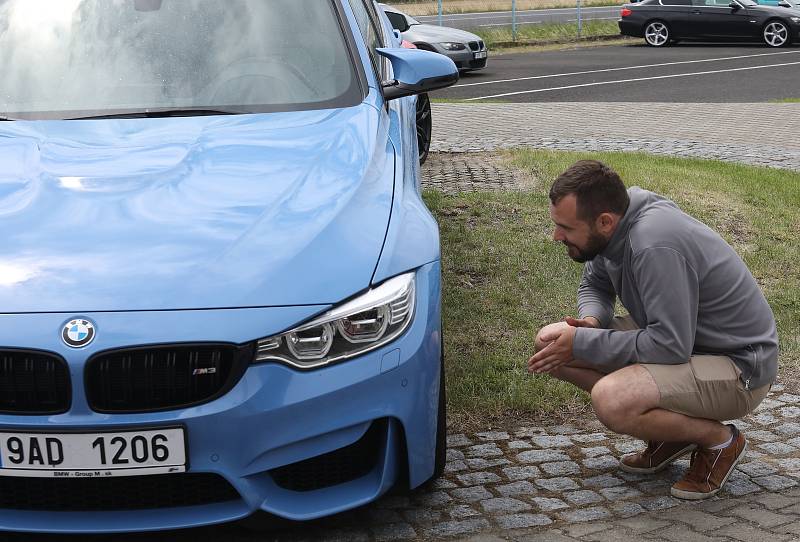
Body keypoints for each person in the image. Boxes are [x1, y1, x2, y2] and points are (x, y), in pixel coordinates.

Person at [528, 160, 778, 500]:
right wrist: (591, 323)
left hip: (739, 367)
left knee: (612, 399)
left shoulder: (653, 244)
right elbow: (596, 285)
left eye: (565, 228)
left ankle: (718, 441)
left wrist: (586, 342)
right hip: (687, 342)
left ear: (604, 222)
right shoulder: (616, 222)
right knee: (551, 344)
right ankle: (673, 433)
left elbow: (669, 346)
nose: (556, 236)